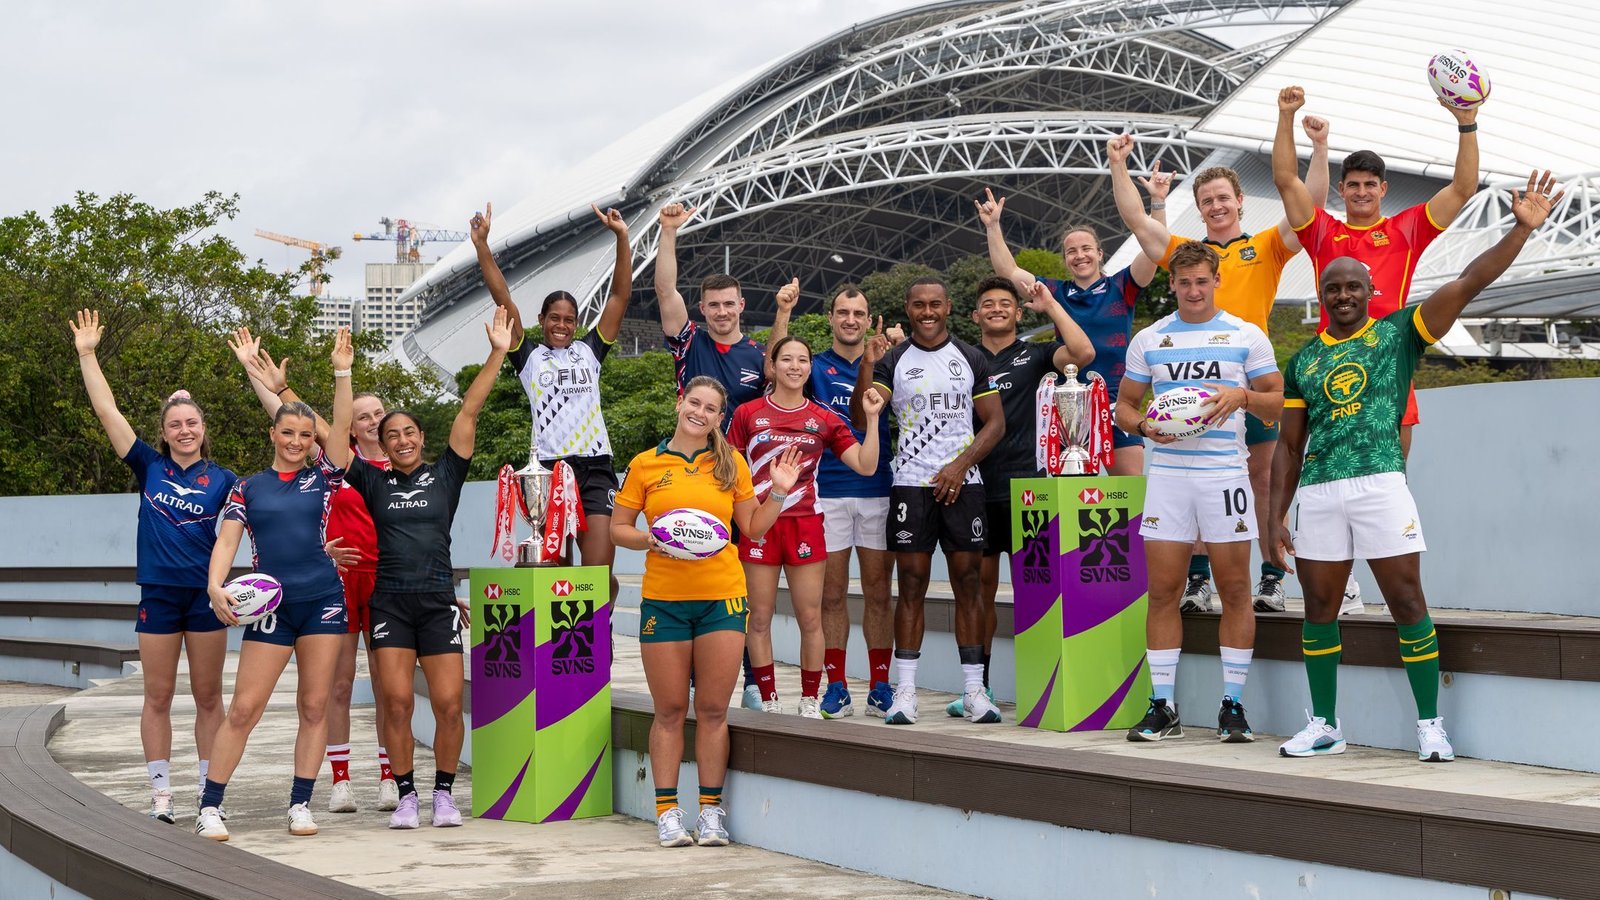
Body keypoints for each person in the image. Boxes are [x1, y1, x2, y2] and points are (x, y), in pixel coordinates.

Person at [1271, 171, 1560, 763]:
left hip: (1380, 483)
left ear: (1369, 290)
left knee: (1406, 601)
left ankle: (1430, 726)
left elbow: (1469, 280)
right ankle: (1324, 725)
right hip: (1319, 492)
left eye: (1353, 287)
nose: (1343, 296)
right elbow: (1288, 447)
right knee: (1320, 610)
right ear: (1321, 295)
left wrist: (1520, 231)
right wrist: (1274, 515)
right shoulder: (1302, 362)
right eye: (1333, 288)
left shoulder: (1400, 332)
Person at [1274, 84, 1483, 614]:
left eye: (1370, 184)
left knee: (1388, 479)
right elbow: (1284, 180)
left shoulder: (1406, 229)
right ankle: (1343, 581)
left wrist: (1467, 121)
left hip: (1391, 371)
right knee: (1324, 468)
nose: (1362, 192)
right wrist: (1285, 116)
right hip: (1330, 373)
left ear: (1383, 189)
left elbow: (1463, 187)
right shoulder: (1322, 231)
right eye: (1353, 184)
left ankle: (1393, 586)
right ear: (1342, 190)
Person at [1108, 125, 1330, 614]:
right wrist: (1117, 164)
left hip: (1251, 382)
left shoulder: (1267, 245)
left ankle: (1271, 578)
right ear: (1199, 207)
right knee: (1193, 477)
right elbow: (1137, 221)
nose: (1216, 206)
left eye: (1223, 197)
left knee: (1263, 479)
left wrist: (1318, 148)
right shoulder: (1189, 256)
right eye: (1207, 200)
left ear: (1240, 201)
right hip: (1193, 388)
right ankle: (1198, 580)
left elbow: (1308, 207)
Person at [328, 307, 514, 829]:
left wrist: (498, 352)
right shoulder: (372, 481)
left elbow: (469, 410)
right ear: (382, 445)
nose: (402, 440)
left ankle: (444, 795)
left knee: (450, 704)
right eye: (392, 435)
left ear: (421, 438)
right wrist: (343, 374)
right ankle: (407, 795)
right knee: (396, 702)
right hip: (390, 603)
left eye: (409, 432)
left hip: (436, 603)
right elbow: (335, 437)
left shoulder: (446, 475)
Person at [611, 376, 796, 847]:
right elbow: (617, 528)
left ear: (719, 418)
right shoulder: (645, 464)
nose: (700, 412)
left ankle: (711, 813)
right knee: (670, 711)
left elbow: (753, 528)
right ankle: (667, 813)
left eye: (711, 408)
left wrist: (778, 493)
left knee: (714, 711)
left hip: (722, 600)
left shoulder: (731, 462)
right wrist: (649, 538)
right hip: (664, 602)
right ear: (680, 403)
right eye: (694, 402)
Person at [69, 309, 236, 826]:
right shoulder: (149, 465)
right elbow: (107, 411)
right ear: (163, 433)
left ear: (203, 429)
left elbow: (263, 524)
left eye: (192, 423)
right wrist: (88, 354)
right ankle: (162, 794)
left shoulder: (225, 479)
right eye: (175, 424)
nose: (184, 430)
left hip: (206, 598)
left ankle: (210, 795)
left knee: (209, 698)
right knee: (157, 696)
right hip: (159, 596)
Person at [1113, 242, 1283, 744]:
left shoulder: (1246, 335)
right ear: (1172, 283)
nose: (1193, 290)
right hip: (1168, 476)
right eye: (1184, 282)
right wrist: (1144, 426)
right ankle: (1163, 706)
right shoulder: (1150, 338)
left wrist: (1243, 396)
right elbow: (1124, 406)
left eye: (1201, 281)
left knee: (1234, 590)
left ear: (1216, 281)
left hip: (1224, 475)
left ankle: (1232, 706)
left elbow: (1278, 403)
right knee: (1163, 591)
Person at [228, 327, 399, 815]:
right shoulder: (337, 465)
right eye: (362, 415)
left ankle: (390, 777)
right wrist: (260, 375)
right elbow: (293, 423)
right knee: (338, 685)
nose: (371, 420)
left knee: (389, 687)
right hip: (338, 580)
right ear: (351, 428)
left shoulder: (403, 466)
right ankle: (340, 780)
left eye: (378, 414)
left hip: (385, 578)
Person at [193, 336, 356, 840]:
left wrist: (342, 373)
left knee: (314, 707)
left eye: (305, 435)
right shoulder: (247, 487)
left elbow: (342, 429)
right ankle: (210, 807)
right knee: (244, 709)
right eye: (288, 432)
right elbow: (227, 540)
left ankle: (300, 804)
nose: (296, 441)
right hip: (272, 608)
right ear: (273, 433)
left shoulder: (324, 477)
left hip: (324, 602)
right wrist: (215, 585)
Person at [850, 278, 1005, 726]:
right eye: (919, 304)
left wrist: (959, 466)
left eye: (935, 303)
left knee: (968, 583)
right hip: (911, 484)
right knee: (912, 583)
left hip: (964, 484)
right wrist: (867, 364)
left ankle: (974, 691)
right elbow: (862, 416)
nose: (927, 311)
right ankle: (906, 692)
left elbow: (995, 423)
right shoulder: (893, 359)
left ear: (948, 306)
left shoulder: (970, 357)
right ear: (908, 308)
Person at [947, 276, 1095, 718]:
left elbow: (1083, 353)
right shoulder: (961, 359)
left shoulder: (1037, 355)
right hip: (976, 487)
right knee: (979, 591)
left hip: (1030, 489)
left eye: (1005, 303)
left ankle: (1047, 691)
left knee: (1036, 591)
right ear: (975, 315)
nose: (996, 309)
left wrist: (1050, 306)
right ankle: (979, 689)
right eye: (988, 303)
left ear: (1016, 312)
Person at [473, 200, 632, 601]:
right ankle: (564, 636)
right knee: (556, 578)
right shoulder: (528, 357)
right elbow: (503, 297)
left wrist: (622, 237)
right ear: (541, 320)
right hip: (550, 473)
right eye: (554, 318)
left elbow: (619, 296)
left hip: (596, 468)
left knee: (598, 574)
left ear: (576, 324)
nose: (561, 325)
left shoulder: (591, 351)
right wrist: (482, 245)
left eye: (569, 320)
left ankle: (601, 622)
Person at [728, 333, 884, 718]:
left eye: (802, 360)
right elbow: (729, 471)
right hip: (759, 526)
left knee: (811, 618)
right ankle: (768, 699)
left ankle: (810, 699)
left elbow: (866, 465)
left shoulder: (824, 418)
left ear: (810, 367)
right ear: (772, 366)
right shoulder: (747, 414)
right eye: (786, 359)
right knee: (758, 618)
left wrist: (873, 419)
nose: (794, 366)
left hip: (805, 526)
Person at [654, 200, 767, 707]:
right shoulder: (689, 343)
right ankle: (693, 679)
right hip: (690, 475)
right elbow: (665, 290)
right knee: (692, 569)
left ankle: (750, 680)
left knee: (738, 583)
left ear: (742, 305)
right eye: (713, 305)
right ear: (703, 309)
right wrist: (669, 232)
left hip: (740, 481)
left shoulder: (760, 356)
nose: (722, 312)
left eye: (729, 304)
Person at [770, 285, 898, 718]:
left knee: (879, 593)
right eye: (842, 312)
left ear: (869, 318)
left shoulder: (886, 362)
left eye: (858, 313)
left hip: (877, 488)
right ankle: (837, 687)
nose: (850, 320)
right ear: (830, 317)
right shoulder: (811, 366)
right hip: (826, 493)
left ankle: (880, 687)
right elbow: (774, 367)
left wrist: (884, 353)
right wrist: (783, 313)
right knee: (831, 596)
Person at [981, 187, 1158, 476]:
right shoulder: (1053, 292)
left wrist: (1158, 203)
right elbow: (1009, 271)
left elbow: (1155, 249)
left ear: (1099, 253)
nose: (1079, 256)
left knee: (1129, 495)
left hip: (1117, 405)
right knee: (1075, 498)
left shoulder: (1121, 286)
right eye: (1071, 251)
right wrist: (992, 226)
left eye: (1086, 248)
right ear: (1065, 259)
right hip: (1070, 408)